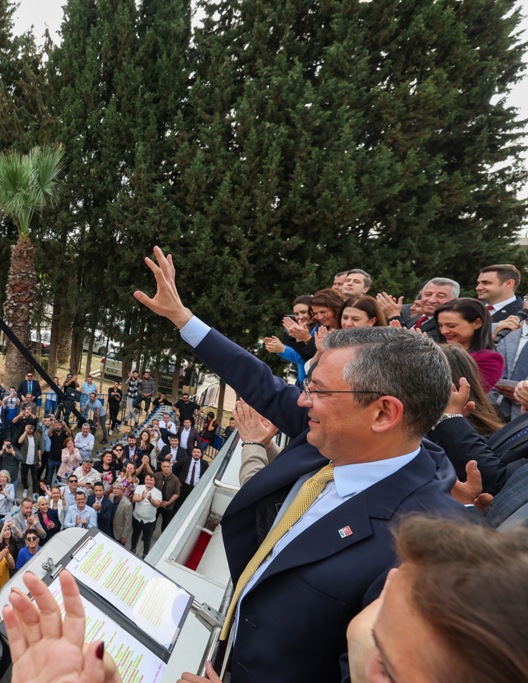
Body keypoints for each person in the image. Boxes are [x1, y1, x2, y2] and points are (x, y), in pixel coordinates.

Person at [134, 245, 466, 682]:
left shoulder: (423, 553)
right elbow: (260, 381)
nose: (302, 400)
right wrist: (182, 318)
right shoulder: (332, 437)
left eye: (320, 391)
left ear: (384, 413)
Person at [434, 298, 504, 392]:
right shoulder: (435, 350)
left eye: (451, 326)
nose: (444, 331)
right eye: (440, 325)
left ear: (477, 323)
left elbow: (467, 392)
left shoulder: (489, 359)